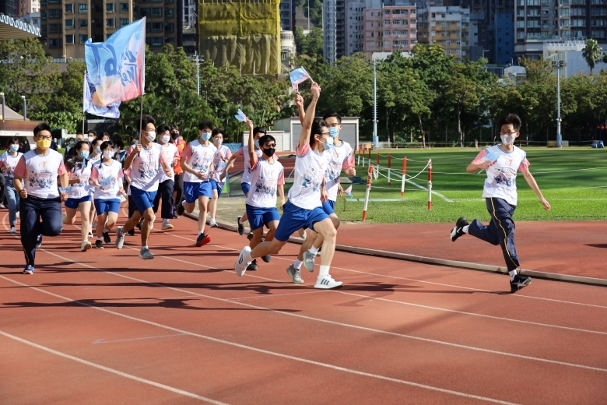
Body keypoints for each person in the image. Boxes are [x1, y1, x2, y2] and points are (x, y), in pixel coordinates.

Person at [234, 83, 343, 289]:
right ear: (318, 138)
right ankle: (247, 256)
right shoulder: (304, 152)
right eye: (327, 134)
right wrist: (314, 99)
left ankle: (323, 277)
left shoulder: (327, 154)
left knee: (331, 232)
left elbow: (310, 127)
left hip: (314, 208)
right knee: (275, 247)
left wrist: (322, 187)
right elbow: (307, 126)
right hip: (296, 208)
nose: (331, 136)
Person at [450, 113, 551, 293]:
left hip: (511, 200)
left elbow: (527, 175)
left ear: (517, 134)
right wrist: (480, 165)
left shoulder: (520, 154)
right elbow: (469, 167)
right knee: (508, 228)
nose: (505, 134)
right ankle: (514, 277)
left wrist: (541, 197)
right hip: (494, 196)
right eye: (502, 131)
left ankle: (464, 228)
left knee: (496, 237)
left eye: (509, 131)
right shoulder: (490, 151)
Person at [288, 105, 357, 277]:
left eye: (334, 125)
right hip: (318, 194)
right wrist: (300, 107)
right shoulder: (323, 144)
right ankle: (312, 253)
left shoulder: (346, 148)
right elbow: (307, 126)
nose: (331, 128)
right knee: (335, 223)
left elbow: (347, 168)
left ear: (340, 127)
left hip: (331, 194)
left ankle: (295, 266)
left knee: (313, 236)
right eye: (328, 125)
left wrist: (350, 173)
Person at [12, 122, 70, 274]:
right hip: (30, 199)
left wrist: (64, 190)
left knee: (54, 228)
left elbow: (63, 174)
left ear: (51, 138)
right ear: (35, 138)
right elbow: (17, 177)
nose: (45, 139)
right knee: (27, 233)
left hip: (51, 199)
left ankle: (38, 230)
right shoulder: (26, 157)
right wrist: (21, 190)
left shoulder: (57, 156)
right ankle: (30, 263)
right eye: (41, 137)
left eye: (47, 137)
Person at [114, 115, 172, 259]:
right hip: (138, 187)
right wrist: (134, 152)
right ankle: (144, 249)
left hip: (152, 188)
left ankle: (122, 231)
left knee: (135, 219)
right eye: (150, 130)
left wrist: (167, 170)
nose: (153, 133)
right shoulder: (134, 148)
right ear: (142, 132)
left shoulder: (158, 148)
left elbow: (164, 162)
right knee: (150, 216)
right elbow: (126, 167)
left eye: (154, 130)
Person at [241, 118, 285, 272]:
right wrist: (250, 129)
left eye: (273, 145)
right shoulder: (257, 163)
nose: (271, 148)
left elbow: (280, 184)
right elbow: (251, 151)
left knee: (276, 229)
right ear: (261, 147)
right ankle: (249, 259)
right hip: (254, 204)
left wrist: (283, 200)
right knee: (257, 234)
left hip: (270, 205)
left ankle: (264, 248)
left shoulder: (279, 166)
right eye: (268, 145)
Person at [178, 120, 216, 247]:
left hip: (204, 181)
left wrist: (211, 172)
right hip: (190, 180)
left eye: (209, 131)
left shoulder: (212, 148)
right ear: (199, 132)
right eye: (204, 131)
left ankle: (200, 234)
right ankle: (183, 203)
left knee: (204, 206)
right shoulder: (192, 146)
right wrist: (195, 173)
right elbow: (183, 164)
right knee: (189, 209)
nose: (207, 133)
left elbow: (211, 163)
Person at [226, 126, 266, 237]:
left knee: (257, 205)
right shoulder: (245, 149)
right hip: (247, 182)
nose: (260, 140)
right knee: (254, 201)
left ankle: (240, 220)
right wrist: (226, 169)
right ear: (253, 138)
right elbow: (233, 156)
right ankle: (254, 229)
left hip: (260, 184)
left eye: (262, 138)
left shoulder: (266, 152)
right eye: (258, 137)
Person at [90, 140, 124, 249]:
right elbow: (92, 179)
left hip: (114, 195)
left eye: (110, 149)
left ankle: (105, 231)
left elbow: (119, 178)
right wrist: (97, 184)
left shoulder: (117, 164)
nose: (108, 151)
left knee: (112, 221)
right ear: (102, 151)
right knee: (101, 219)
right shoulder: (97, 165)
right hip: (100, 196)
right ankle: (99, 239)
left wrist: (121, 188)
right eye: (106, 149)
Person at [62, 140, 93, 251]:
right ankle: (62, 219)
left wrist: (93, 182)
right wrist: (73, 181)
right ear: (77, 150)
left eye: (87, 150)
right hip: (72, 193)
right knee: (70, 220)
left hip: (85, 193)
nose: (86, 152)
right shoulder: (69, 163)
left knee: (85, 216)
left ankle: (84, 241)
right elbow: (63, 180)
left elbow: (92, 177)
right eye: (83, 149)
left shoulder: (89, 163)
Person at [152, 125, 179, 230]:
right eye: (164, 134)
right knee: (154, 198)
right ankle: (150, 217)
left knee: (168, 194)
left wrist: (175, 160)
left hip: (168, 176)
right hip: (154, 177)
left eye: (168, 134)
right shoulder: (154, 146)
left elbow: (177, 156)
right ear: (159, 135)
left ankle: (166, 220)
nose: (166, 136)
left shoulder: (173, 147)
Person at [207, 127, 232, 227]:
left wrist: (224, 158)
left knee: (213, 200)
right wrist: (210, 171)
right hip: (210, 176)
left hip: (221, 178)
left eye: (220, 137)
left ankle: (203, 213)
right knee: (215, 196)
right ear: (212, 138)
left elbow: (231, 164)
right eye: (216, 137)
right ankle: (213, 220)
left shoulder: (226, 149)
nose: (218, 139)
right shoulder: (209, 148)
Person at [1, 137, 23, 233]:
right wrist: (3, 168)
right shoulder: (4, 156)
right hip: (9, 182)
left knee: (19, 205)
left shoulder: (22, 156)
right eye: (13, 144)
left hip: (20, 182)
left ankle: (17, 212)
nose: (15, 146)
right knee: (12, 204)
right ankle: (13, 225)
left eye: (16, 144)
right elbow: (0, 168)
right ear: (9, 145)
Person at [170, 125, 186, 218]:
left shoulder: (183, 143)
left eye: (176, 131)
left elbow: (186, 156)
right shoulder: (167, 143)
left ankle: (176, 206)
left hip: (180, 169)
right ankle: (170, 208)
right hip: (169, 171)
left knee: (180, 188)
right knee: (171, 190)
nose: (175, 133)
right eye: (173, 131)